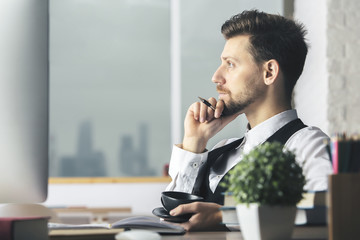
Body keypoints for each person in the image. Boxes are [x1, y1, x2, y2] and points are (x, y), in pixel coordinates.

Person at [165, 10, 333, 231]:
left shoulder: (307, 145)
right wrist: (193, 144)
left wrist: (223, 215)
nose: (216, 77)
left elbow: (329, 210)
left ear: (269, 72)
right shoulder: (222, 150)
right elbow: (172, 220)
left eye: (230, 64)